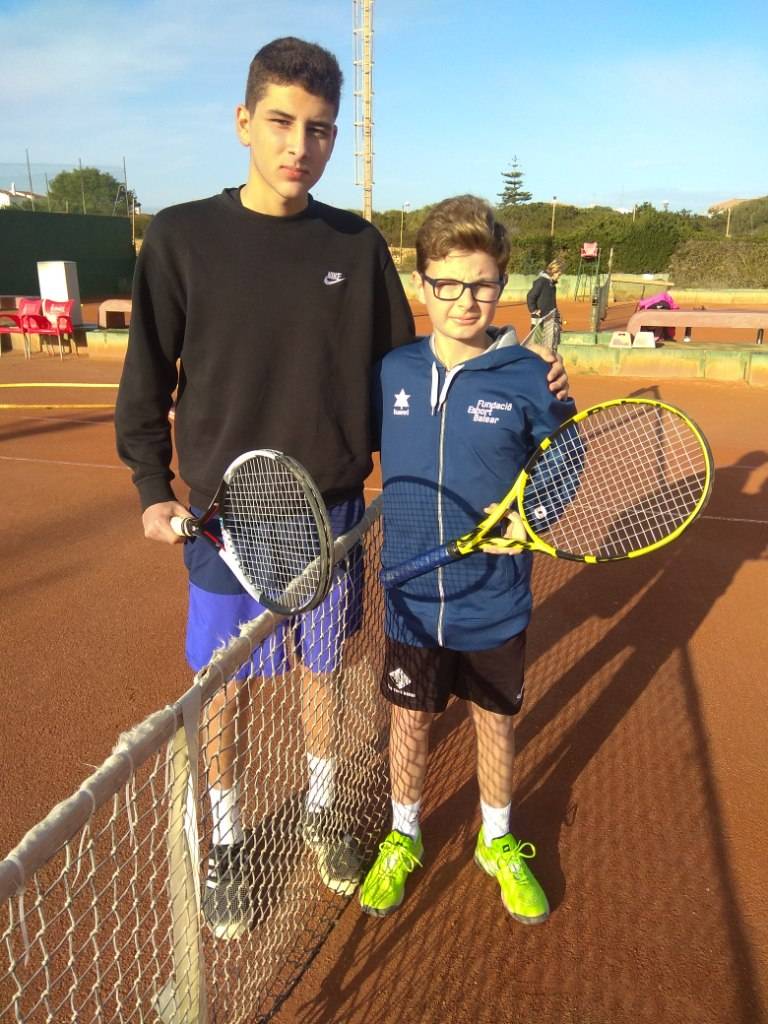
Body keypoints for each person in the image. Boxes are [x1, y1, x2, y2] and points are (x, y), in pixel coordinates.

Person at [115, 37, 568, 941]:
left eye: (319, 129)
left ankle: (325, 812)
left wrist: (519, 371)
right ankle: (228, 840)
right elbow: (147, 374)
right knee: (226, 687)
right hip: (225, 518)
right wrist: (149, 485)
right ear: (243, 122)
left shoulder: (356, 247)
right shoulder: (179, 237)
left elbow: (411, 366)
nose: (300, 145)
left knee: (323, 673)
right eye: (281, 122)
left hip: (330, 511)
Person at [360, 195, 575, 924]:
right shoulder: (392, 370)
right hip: (412, 599)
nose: (464, 300)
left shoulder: (529, 375)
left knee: (494, 721)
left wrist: (532, 517)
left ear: (502, 284)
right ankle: (404, 834)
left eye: (481, 284)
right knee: (410, 722)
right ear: (422, 284)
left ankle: (497, 839)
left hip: (494, 597)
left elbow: (566, 456)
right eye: (447, 283)